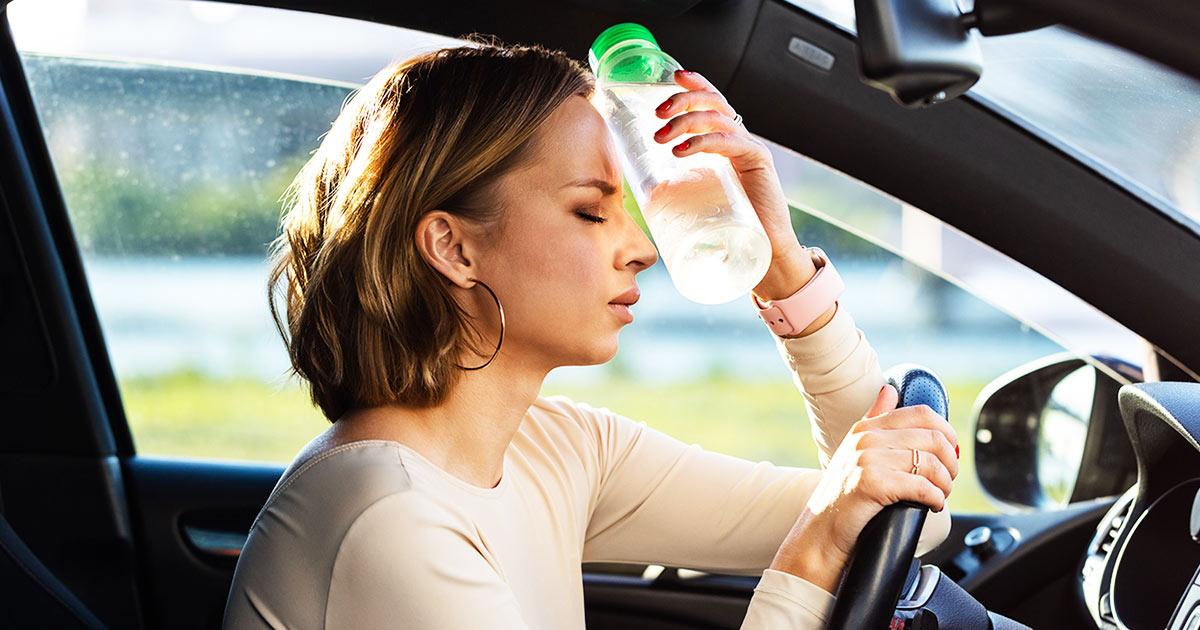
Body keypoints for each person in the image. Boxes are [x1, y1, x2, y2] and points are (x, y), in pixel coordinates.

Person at [222, 37, 958, 629]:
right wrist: (818, 546)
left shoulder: (558, 448)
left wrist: (783, 267)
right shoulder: (386, 518)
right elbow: (840, 528)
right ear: (454, 248)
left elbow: (901, 521)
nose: (642, 249)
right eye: (589, 210)